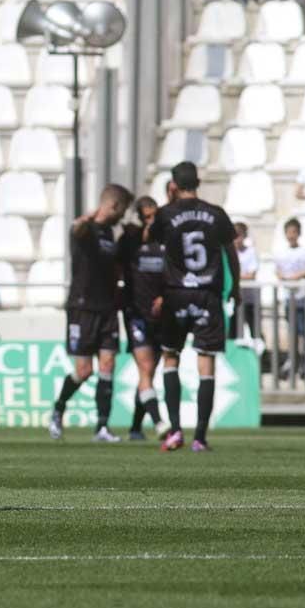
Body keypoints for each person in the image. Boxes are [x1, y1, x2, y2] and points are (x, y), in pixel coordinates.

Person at [149, 162, 240, 453]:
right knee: (206, 363)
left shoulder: (166, 214)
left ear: (173, 185)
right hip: (207, 295)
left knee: (170, 358)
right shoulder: (216, 214)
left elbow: (152, 249)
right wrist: (234, 286)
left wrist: (156, 293)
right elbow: (230, 252)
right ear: (198, 182)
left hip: (175, 294)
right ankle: (200, 437)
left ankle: (175, 431)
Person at [48, 184, 134, 443]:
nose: (123, 215)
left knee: (108, 365)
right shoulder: (86, 230)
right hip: (82, 307)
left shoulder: (109, 232)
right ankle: (58, 409)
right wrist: (83, 220)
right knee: (84, 370)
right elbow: (77, 230)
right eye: (123, 210)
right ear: (114, 206)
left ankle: (102, 427)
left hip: (107, 308)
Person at [117, 196, 165, 441]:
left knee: (149, 373)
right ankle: (159, 423)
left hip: (162, 317)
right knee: (145, 369)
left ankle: (136, 428)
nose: (152, 221)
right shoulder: (130, 242)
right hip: (136, 314)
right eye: (147, 217)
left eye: (154, 216)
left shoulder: (166, 242)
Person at [276, 218, 305, 379]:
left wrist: (298, 275)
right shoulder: (282, 253)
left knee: (304, 332)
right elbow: (278, 271)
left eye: (294, 232)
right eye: (289, 232)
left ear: (299, 233)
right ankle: (292, 361)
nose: (291, 235)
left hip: (303, 296)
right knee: (292, 331)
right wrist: (284, 277)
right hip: (290, 297)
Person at [234, 222, 261, 339]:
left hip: (249, 299)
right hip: (233, 299)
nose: (236, 239)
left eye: (239, 235)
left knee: (254, 330)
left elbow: (251, 275)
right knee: (232, 332)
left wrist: (235, 276)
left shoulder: (251, 252)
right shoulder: (226, 253)